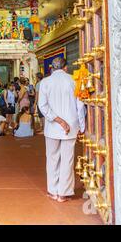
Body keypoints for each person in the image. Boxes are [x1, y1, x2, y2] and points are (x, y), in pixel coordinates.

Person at [38, 57, 85, 203]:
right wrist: (82, 127)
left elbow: (43, 106)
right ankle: (63, 193)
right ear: (65, 67)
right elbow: (80, 106)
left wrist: (57, 120)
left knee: (52, 158)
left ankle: (52, 190)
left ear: (52, 68)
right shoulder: (73, 80)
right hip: (70, 126)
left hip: (52, 127)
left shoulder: (45, 82)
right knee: (67, 159)